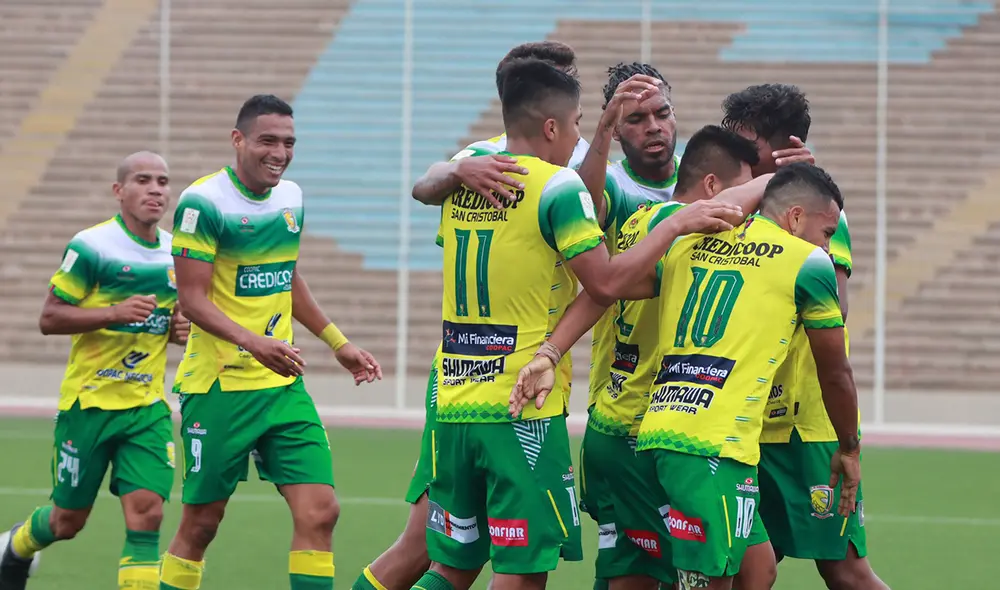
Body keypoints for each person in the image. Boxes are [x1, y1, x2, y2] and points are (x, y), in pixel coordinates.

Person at [412, 57, 741, 590]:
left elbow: (426, 188)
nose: (578, 138)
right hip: (520, 401)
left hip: (454, 400)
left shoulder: (470, 169)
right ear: (552, 127)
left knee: (450, 568)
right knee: (523, 572)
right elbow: (605, 285)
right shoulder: (559, 188)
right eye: (578, 124)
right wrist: (677, 224)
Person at [510, 163, 862, 590]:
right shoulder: (808, 264)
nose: (828, 247)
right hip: (712, 445)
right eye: (827, 234)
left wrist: (551, 351)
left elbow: (607, 288)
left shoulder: (691, 244)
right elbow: (836, 371)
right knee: (704, 581)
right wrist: (849, 447)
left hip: (668, 432)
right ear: (795, 217)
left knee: (759, 568)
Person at [353, 40, 591, 590]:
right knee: (446, 549)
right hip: (510, 384)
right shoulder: (498, 163)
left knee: (452, 557)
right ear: (542, 110)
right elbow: (600, 278)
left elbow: (431, 181)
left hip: (467, 378)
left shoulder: (497, 161)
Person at [157, 94, 382, 590]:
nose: (279, 152)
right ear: (238, 140)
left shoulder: (291, 198)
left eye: (288, 142)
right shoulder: (204, 202)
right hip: (219, 388)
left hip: (282, 387)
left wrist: (336, 341)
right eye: (267, 141)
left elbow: (286, 277)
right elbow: (192, 301)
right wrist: (253, 343)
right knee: (201, 525)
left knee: (321, 512)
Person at [578, 125, 766, 590]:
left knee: (749, 568)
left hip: (648, 427)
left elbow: (598, 293)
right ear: (711, 189)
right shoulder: (678, 231)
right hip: (636, 433)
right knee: (673, 575)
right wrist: (785, 176)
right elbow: (599, 290)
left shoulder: (648, 222)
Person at [724, 86, 889, 590]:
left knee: (843, 569)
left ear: (781, 147)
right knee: (743, 567)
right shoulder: (733, 206)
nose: (733, 150)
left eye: (743, 140)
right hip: (744, 423)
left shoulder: (817, 214)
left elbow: (834, 309)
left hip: (804, 425)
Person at [0, 152, 188, 590]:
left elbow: (174, 318)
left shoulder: (176, 253)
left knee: (148, 513)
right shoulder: (91, 246)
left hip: (146, 408)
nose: (156, 189)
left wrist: (178, 328)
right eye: (143, 180)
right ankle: (14, 547)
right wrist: (112, 313)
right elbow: (50, 318)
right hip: (88, 405)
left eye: (163, 181)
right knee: (67, 521)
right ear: (119, 191)